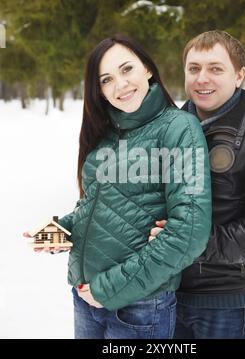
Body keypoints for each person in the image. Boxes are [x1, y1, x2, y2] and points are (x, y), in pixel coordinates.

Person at [24, 34, 211, 339]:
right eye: (106, 79)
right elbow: (100, 209)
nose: (120, 85)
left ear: (147, 69)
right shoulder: (106, 133)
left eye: (127, 70)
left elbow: (188, 233)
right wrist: (61, 230)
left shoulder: (178, 128)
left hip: (140, 306)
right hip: (87, 300)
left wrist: (109, 289)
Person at [149, 30, 245, 339]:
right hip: (166, 296)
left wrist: (192, 243)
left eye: (215, 68)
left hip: (226, 303)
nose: (202, 78)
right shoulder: (167, 130)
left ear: (239, 75)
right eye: (194, 69)